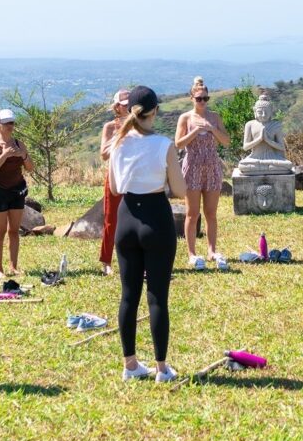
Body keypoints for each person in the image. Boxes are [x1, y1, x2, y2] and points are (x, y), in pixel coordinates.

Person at [109, 85, 186, 382]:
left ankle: (130, 365)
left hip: (126, 217)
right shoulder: (164, 144)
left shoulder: (118, 143)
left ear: (131, 112)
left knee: (128, 295)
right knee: (157, 297)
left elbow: (116, 189)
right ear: (155, 111)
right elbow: (179, 190)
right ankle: (162, 369)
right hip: (156, 218)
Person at [174, 76, 230, 270]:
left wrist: (212, 129)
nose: (203, 102)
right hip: (192, 167)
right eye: (199, 99)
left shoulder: (215, 117)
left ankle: (212, 250)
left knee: (211, 213)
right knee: (192, 213)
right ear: (192, 99)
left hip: (212, 167)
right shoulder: (185, 118)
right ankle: (191, 252)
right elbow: (178, 144)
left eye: (205, 98)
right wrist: (195, 132)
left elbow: (226, 141)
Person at [0, 109, 33, 279]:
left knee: (14, 230)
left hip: (17, 191)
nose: (10, 126)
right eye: (6, 123)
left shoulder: (19, 143)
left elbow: (30, 168)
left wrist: (24, 155)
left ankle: (13, 266)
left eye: (12, 123)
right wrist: (4, 155)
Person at [98, 90, 130, 275]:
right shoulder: (110, 127)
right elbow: (103, 154)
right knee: (111, 219)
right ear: (117, 106)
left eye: (129, 104)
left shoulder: (139, 125)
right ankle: (106, 261)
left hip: (133, 176)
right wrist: (119, 137)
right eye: (124, 104)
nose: (127, 107)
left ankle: (134, 259)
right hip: (115, 175)